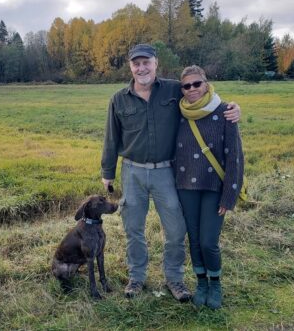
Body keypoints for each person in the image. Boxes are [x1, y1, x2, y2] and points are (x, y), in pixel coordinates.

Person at [101, 44, 241, 301]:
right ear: (130, 67)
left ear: (156, 64)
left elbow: (201, 94)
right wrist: (107, 172)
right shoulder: (118, 99)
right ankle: (137, 277)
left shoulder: (173, 89)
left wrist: (232, 108)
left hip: (167, 171)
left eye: (146, 63)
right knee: (133, 228)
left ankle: (175, 279)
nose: (141, 68)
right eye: (136, 64)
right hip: (132, 171)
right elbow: (111, 138)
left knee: (176, 229)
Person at [174, 65, 244, 309]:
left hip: (214, 188)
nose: (192, 89)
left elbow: (234, 157)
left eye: (197, 84)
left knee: (208, 241)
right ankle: (201, 282)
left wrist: (229, 196)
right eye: (186, 85)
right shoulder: (178, 112)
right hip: (185, 187)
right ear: (181, 89)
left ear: (206, 83)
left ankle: (215, 284)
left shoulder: (225, 111)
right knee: (193, 239)